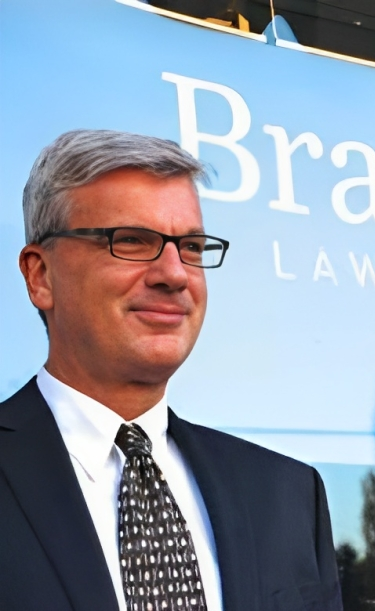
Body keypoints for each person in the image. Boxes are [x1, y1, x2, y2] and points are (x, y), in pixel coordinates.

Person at [0, 129, 343, 611]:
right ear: (41, 276)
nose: (175, 274)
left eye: (192, 248)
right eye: (132, 241)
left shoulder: (287, 495)